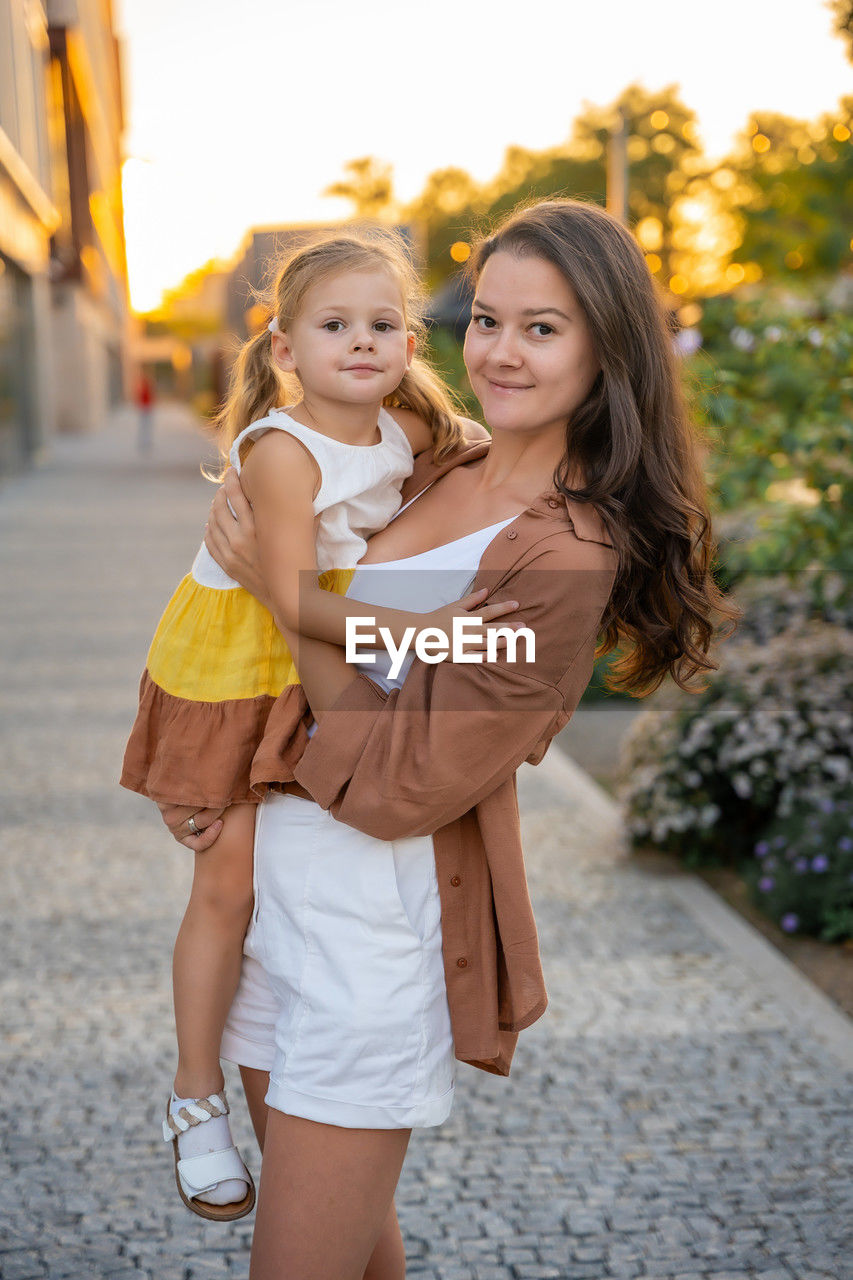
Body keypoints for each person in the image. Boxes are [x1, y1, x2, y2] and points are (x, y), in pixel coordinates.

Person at [176, 199, 737, 1278]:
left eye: (544, 327)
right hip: (273, 902)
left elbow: (402, 784)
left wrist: (282, 593)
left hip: (372, 933)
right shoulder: (430, 460)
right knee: (350, 1248)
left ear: (607, 348)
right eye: (487, 318)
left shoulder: (569, 553)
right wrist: (207, 769)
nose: (502, 351)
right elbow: (263, 643)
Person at [121, 229, 511, 1221]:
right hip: (230, 670)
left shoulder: (399, 428)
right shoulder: (282, 450)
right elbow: (291, 597)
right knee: (228, 878)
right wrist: (427, 633)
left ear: (410, 338)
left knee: (257, 882)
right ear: (286, 348)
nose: (363, 342)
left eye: (384, 324)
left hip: (297, 673)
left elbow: (477, 456)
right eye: (335, 325)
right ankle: (193, 1092)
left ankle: (265, 1103)